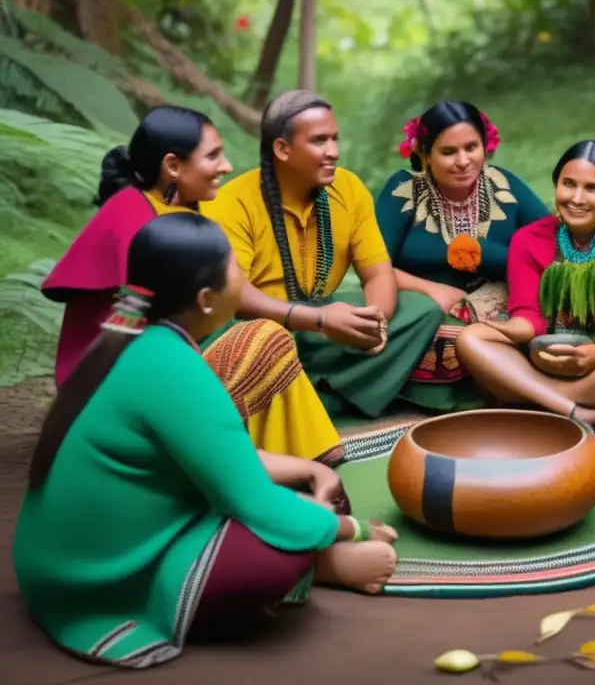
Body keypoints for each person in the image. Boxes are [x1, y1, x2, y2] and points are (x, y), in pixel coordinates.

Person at [14, 212, 399, 669]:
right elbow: (254, 503)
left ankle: (317, 549)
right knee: (276, 544)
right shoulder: (171, 368)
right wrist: (349, 530)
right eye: (235, 267)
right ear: (205, 299)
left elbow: (221, 459)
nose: (244, 275)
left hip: (54, 560)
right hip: (94, 579)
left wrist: (311, 469)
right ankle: (324, 565)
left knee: (293, 505)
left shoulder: (133, 336)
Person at [40, 106, 344, 466]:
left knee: (261, 336)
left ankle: (301, 452)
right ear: (172, 166)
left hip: (157, 367)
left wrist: (312, 318)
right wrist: (316, 319)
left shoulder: (175, 206)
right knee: (263, 339)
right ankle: (223, 458)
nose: (227, 166)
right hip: (118, 396)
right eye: (213, 155)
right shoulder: (131, 221)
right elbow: (132, 335)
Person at [202, 90, 443, 421]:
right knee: (258, 337)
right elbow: (235, 296)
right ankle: (313, 402)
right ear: (282, 149)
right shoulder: (233, 203)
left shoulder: (348, 188)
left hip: (323, 320)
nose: (333, 152)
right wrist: (321, 320)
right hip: (264, 326)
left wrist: (375, 323)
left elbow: (377, 273)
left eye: (334, 139)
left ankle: (307, 399)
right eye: (319, 141)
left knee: (421, 309)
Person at [455, 140, 595, 433]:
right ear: (556, 185)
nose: (577, 198)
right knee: (471, 339)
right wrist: (504, 328)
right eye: (568, 184)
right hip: (539, 357)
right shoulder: (528, 240)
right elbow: (530, 317)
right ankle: (581, 412)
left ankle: (540, 402)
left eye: (592, 188)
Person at [373, 100, 550, 411]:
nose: (463, 161)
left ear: (486, 145)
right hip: (426, 308)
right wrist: (433, 290)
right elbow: (374, 266)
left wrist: (485, 254)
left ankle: (536, 392)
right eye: (448, 152)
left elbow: (548, 251)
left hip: (500, 304)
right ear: (425, 154)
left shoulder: (504, 186)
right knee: (435, 328)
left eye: (472, 147)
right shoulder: (403, 191)